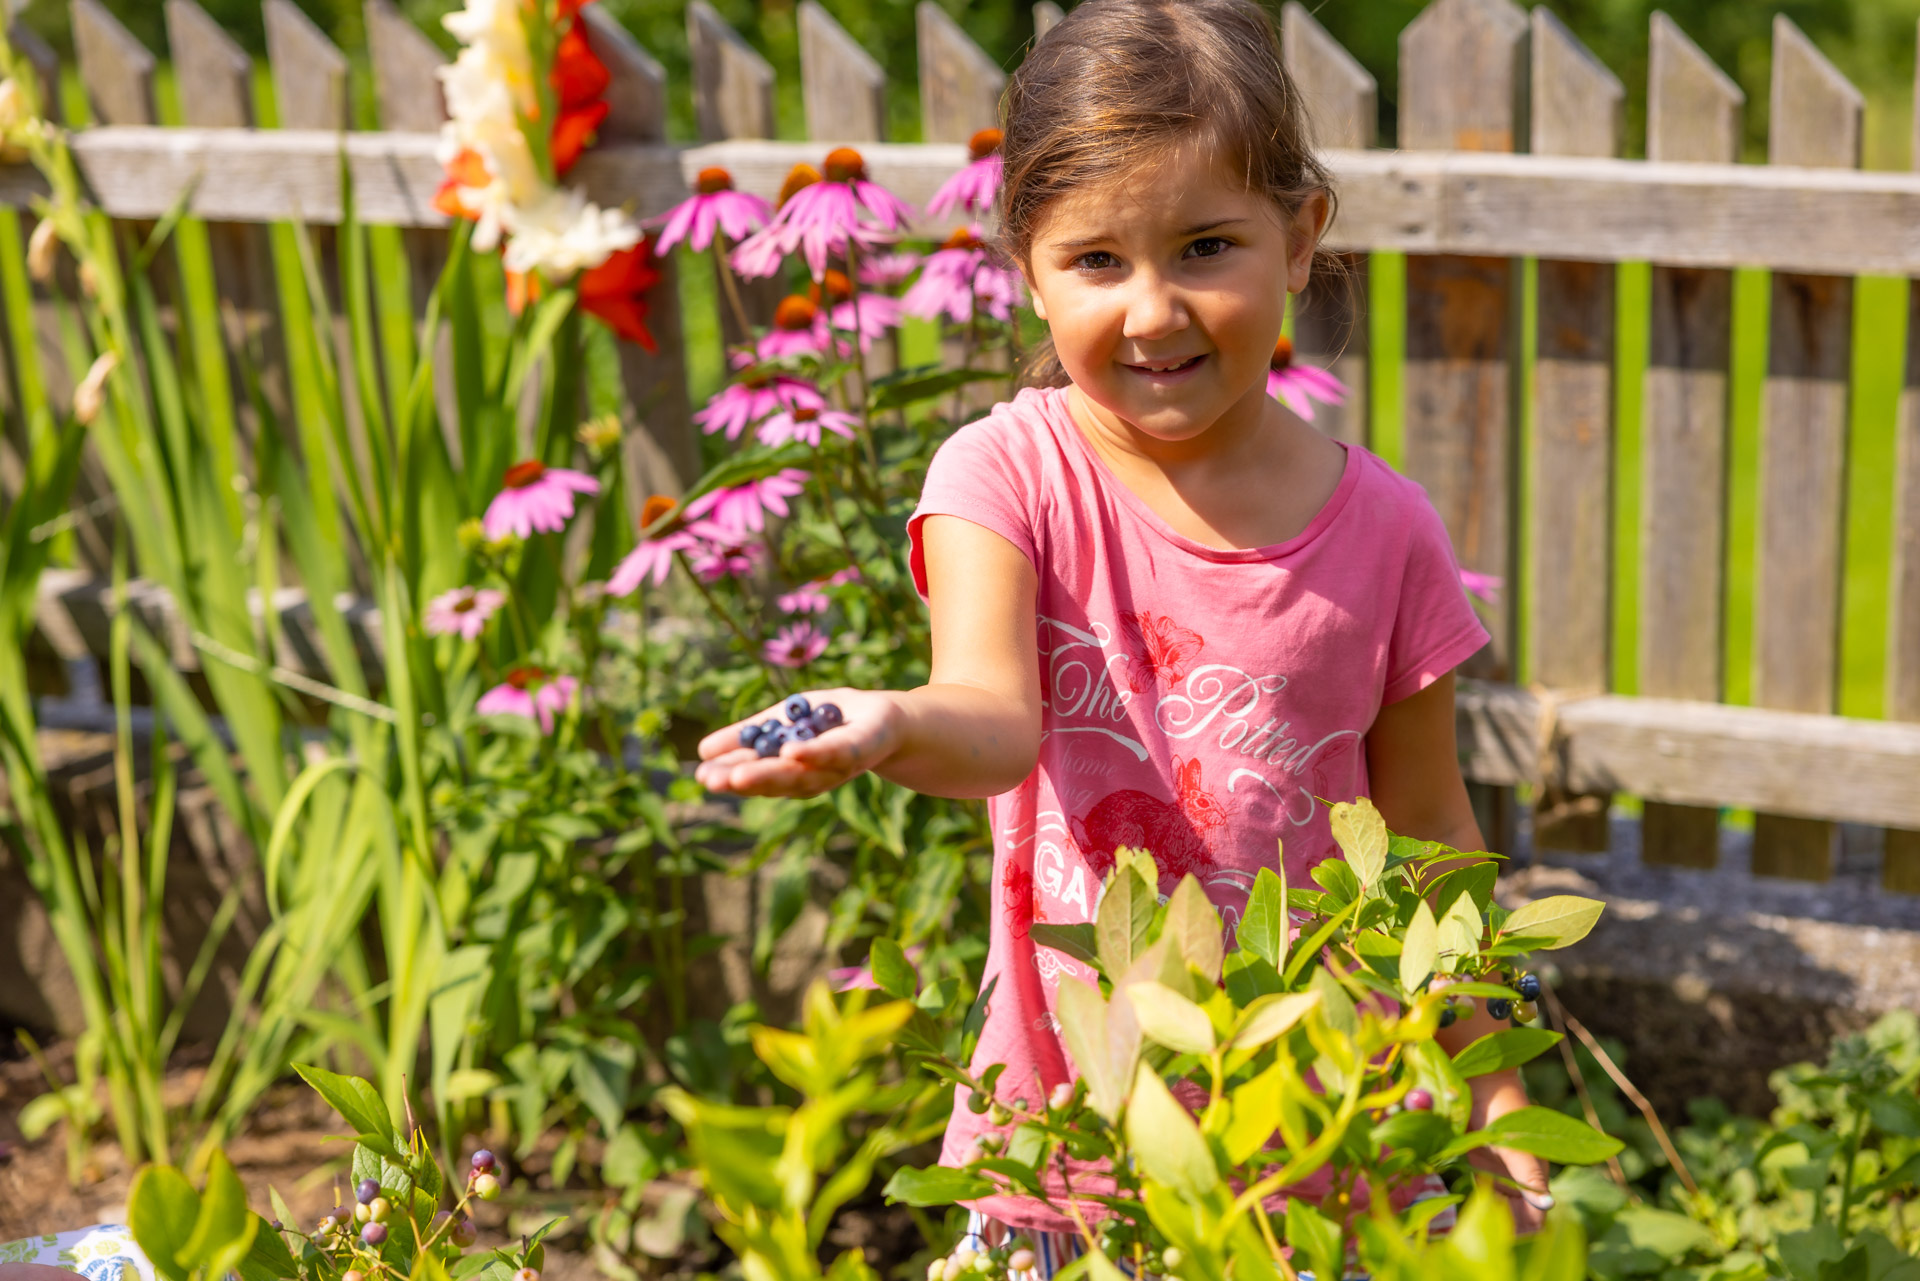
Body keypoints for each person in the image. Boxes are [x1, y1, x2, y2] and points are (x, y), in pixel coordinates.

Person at [696, 0, 1553, 1269]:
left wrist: (1496, 1099)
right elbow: (989, 721)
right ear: (1027, 267)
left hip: (1329, 1140)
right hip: (1076, 1143)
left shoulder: (1387, 530)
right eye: (1097, 262)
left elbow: (1431, 840)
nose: (1153, 311)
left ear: (1301, 236)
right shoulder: (1008, 475)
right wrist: (883, 722)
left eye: (1206, 246)